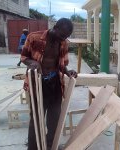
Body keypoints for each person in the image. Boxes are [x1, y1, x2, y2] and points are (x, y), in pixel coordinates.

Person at [20, 18, 77, 150]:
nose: (63, 39)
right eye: (62, 35)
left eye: (66, 37)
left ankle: (51, 146)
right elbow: (23, 57)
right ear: (55, 28)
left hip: (55, 83)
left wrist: (68, 72)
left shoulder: (63, 43)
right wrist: (33, 63)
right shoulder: (34, 37)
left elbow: (61, 64)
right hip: (37, 84)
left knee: (54, 119)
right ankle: (34, 147)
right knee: (36, 119)